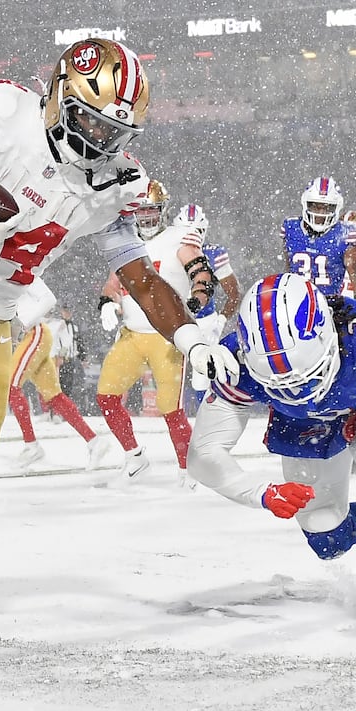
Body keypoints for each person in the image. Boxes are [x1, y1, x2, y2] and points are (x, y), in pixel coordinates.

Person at [0, 37, 238, 648]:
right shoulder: (8, 117)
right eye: (87, 118)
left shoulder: (118, 184)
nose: (96, 138)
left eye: (113, 131)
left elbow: (137, 277)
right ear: (60, 95)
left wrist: (190, 337)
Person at [189, 274, 356, 615]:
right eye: (281, 384)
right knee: (326, 538)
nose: (297, 391)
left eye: (307, 376)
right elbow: (202, 455)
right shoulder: (235, 362)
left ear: (326, 337)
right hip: (302, 422)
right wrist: (261, 492)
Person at [95, 179, 215, 483]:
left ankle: (189, 470)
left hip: (168, 336)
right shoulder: (124, 241)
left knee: (171, 409)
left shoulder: (179, 238)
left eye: (152, 211)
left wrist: (197, 298)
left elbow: (202, 274)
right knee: (107, 397)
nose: (146, 217)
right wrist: (107, 303)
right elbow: (113, 284)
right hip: (132, 334)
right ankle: (134, 456)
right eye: (141, 210)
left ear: (163, 211)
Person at [6, 286, 112, 471]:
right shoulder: (1, 271)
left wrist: (23, 323)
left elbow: (48, 299)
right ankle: (94, 441)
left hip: (33, 333)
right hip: (32, 334)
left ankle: (31, 445)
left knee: (11, 386)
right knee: (54, 396)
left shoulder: (18, 268)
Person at [176, 202, 242, 412]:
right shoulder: (168, 249)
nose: (191, 236)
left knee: (202, 379)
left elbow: (234, 293)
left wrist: (220, 321)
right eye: (186, 232)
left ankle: (208, 422)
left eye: (196, 232)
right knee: (168, 379)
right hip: (172, 318)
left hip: (202, 321)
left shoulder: (212, 254)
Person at [284, 177, 356, 299]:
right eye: (316, 206)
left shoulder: (345, 234)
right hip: (295, 302)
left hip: (331, 306)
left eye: (326, 207)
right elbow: (288, 272)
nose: (320, 213)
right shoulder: (291, 228)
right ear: (306, 204)